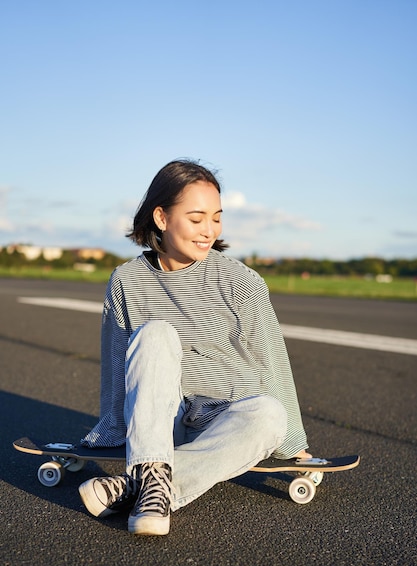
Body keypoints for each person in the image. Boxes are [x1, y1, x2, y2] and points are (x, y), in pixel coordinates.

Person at [78, 159, 310, 536]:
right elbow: (117, 364)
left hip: (223, 424)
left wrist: (293, 445)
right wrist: (109, 431)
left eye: (216, 218)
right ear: (162, 218)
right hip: (159, 424)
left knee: (269, 413)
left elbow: (272, 361)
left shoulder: (240, 281)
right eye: (197, 218)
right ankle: (152, 475)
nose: (209, 231)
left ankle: (140, 486)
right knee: (154, 335)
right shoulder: (126, 280)